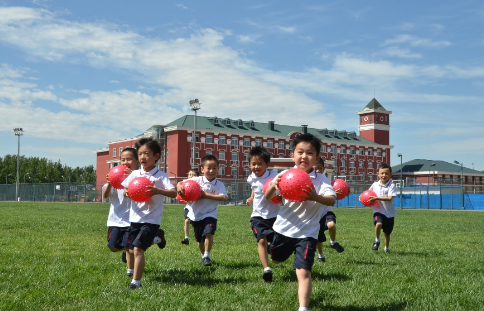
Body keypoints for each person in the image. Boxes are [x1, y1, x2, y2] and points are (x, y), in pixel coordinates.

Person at [265, 133, 336, 311]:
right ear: (292, 155)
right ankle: (273, 250)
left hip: (308, 233)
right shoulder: (284, 175)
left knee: (304, 272)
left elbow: (331, 200)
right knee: (276, 260)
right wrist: (274, 186)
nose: (304, 156)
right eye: (300, 152)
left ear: (317, 158)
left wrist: (315, 196)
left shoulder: (320, 180)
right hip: (284, 230)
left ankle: (303, 308)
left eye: (310, 153)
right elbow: (268, 197)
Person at [122, 137, 177, 289]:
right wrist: (127, 193)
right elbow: (126, 190)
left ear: (156, 156)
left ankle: (136, 282)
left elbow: (174, 193)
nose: (142, 157)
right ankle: (158, 238)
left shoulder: (160, 176)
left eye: (146, 154)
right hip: (134, 218)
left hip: (151, 219)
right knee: (133, 250)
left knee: (138, 249)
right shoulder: (134, 174)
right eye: (140, 154)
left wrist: (157, 190)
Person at [177, 154, 228, 267]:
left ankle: (207, 255)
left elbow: (224, 197)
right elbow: (180, 183)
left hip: (210, 213)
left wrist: (206, 195)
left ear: (218, 169)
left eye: (214, 168)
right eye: (208, 168)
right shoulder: (196, 180)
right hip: (196, 215)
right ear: (202, 169)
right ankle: (203, 255)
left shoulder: (219, 184)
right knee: (200, 241)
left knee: (209, 232)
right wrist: (179, 186)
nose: (211, 171)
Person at [245, 146, 281, 282]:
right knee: (261, 240)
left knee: (275, 242)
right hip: (258, 216)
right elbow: (255, 188)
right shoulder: (251, 178)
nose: (256, 167)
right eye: (253, 164)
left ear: (267, 164)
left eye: (260, 163)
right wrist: (251, 198)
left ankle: (272, 251)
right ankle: (267, 269)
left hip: (275, 215)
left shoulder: (274, 175)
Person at [102, 148, 139, 277]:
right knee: (113, 247)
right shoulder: (115, 175)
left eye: (129, 159)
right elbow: (106, 196)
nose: (125, 162)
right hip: (115, 218)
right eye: (122, 159)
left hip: (132, 219)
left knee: (130, 248)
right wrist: (109, 183)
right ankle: (124, 248)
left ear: (136, 161)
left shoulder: (138, 176)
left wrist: (133, 178)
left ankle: (130, 271)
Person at [313, 157, 345, 262]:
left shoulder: (326, 181)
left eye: (320, 168)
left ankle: (333, 242)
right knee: (319, 238)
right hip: (315, 214)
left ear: (323, 169)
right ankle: (320, 255)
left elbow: (331, 194)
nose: (318, 171)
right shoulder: (310, 182)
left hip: (326, 211)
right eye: (315, 169)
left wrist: (339, 193)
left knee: (331, 225)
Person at [365, 163, 397, 253]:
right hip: (378, 211)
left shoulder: (391, 185)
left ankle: (386, 248)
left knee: (387, 233)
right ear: (378, 173)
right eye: (382, 173)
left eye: (386, 173)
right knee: (378, 224)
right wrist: (362, 198)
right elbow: (367, 193)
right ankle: (377, 240)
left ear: (390, 175)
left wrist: (377, 198)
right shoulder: (375, 184)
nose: (384, 175)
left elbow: (389, 198)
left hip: (389, 213)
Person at [181, 169, 199, 245]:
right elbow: (180, 195)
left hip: (197, 207)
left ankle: (199, 236)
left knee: (197, 224)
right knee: (187, 221)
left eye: (193, 175)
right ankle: (186, 238)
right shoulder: (185, 183)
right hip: (188, 206)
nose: (191, 176)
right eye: (189, 174)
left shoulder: (199, 185)